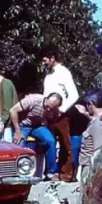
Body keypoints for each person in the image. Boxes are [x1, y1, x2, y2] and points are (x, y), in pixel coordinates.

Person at [41, 45, 80, 181]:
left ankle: (67, 174)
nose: (43, 63)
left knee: (65, 144)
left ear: (52, 58)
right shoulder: (48, 74)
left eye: (45, 60)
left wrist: (62, 110)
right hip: (49, 114)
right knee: (50, 143)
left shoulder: (63, 72)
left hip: (62, 115)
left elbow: (74, 95)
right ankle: (51, 172)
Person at [8, 92, 63, 179]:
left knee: (51, 141)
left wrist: (47, 122)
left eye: (51, 108)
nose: (48, 109)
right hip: (22, 125)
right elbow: (13, 111)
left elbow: (54, 118)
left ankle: (51, 172)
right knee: (19, 145)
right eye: (47, 106)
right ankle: (18, 172)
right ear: (46, 99)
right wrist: (17, 131)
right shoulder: (33, 100)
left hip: (37, 126)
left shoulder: (54, 110)